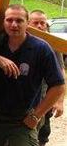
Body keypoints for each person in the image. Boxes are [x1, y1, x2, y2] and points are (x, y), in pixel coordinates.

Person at [0, 4, 65, 146]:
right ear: (3, 22)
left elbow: (58, 85)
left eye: (19, 20)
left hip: (22, 121)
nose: (14, 24)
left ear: (27, 23)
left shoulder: (41, 49)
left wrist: (36, 115)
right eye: (9, 20)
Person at [28, 9, 65, 146]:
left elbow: (61, 73)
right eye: (35, 23)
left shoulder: (53, 44)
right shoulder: (21, 40)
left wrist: (60, 101)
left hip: (45, 98)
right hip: (24, 98)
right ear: (28, 23)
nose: (39, 26)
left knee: (43, 133)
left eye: (42, 23)